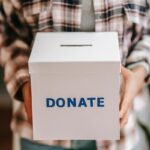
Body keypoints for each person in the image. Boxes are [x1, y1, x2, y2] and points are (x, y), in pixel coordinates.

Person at [0, 0, 150, 149]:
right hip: (42, 135)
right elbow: (6, 30)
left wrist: (138, 73)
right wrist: (24, 81)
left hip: (116, 135)